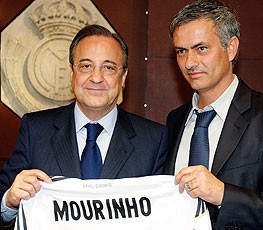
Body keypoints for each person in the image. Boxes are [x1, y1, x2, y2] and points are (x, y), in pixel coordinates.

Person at [0, 24, 168, 226]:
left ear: (123, 77)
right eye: (86, 66)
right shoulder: (35, 129)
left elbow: (163, 216)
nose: (96, 78)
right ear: (72, 73)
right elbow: (4, 196)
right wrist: (9, 202)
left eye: (108, 68)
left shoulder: (153, 139)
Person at [163, 0, 263, 229]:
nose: (190, 62)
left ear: (231, 48)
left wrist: (223, 194)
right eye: (181, 51)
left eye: (201, 48)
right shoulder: (175, 120)